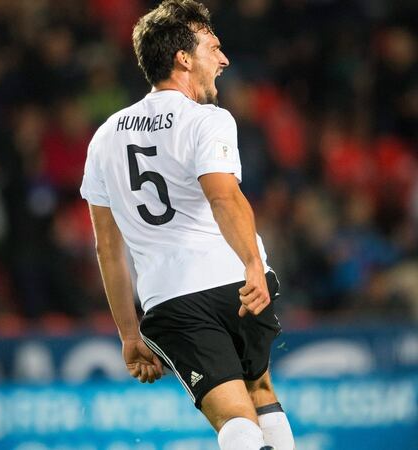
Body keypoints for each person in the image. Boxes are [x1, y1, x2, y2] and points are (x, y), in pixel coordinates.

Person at [80, 1, 295, 450]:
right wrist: (253, 263)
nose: (224, 59)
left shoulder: (104, 138)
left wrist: (127, 333)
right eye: (213, 48)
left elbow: (108, 248)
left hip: (172, 300)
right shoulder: (207, 120)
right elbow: (224, 196)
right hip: (235, 282)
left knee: (235, 421)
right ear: (183, 58)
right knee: (259, 394)